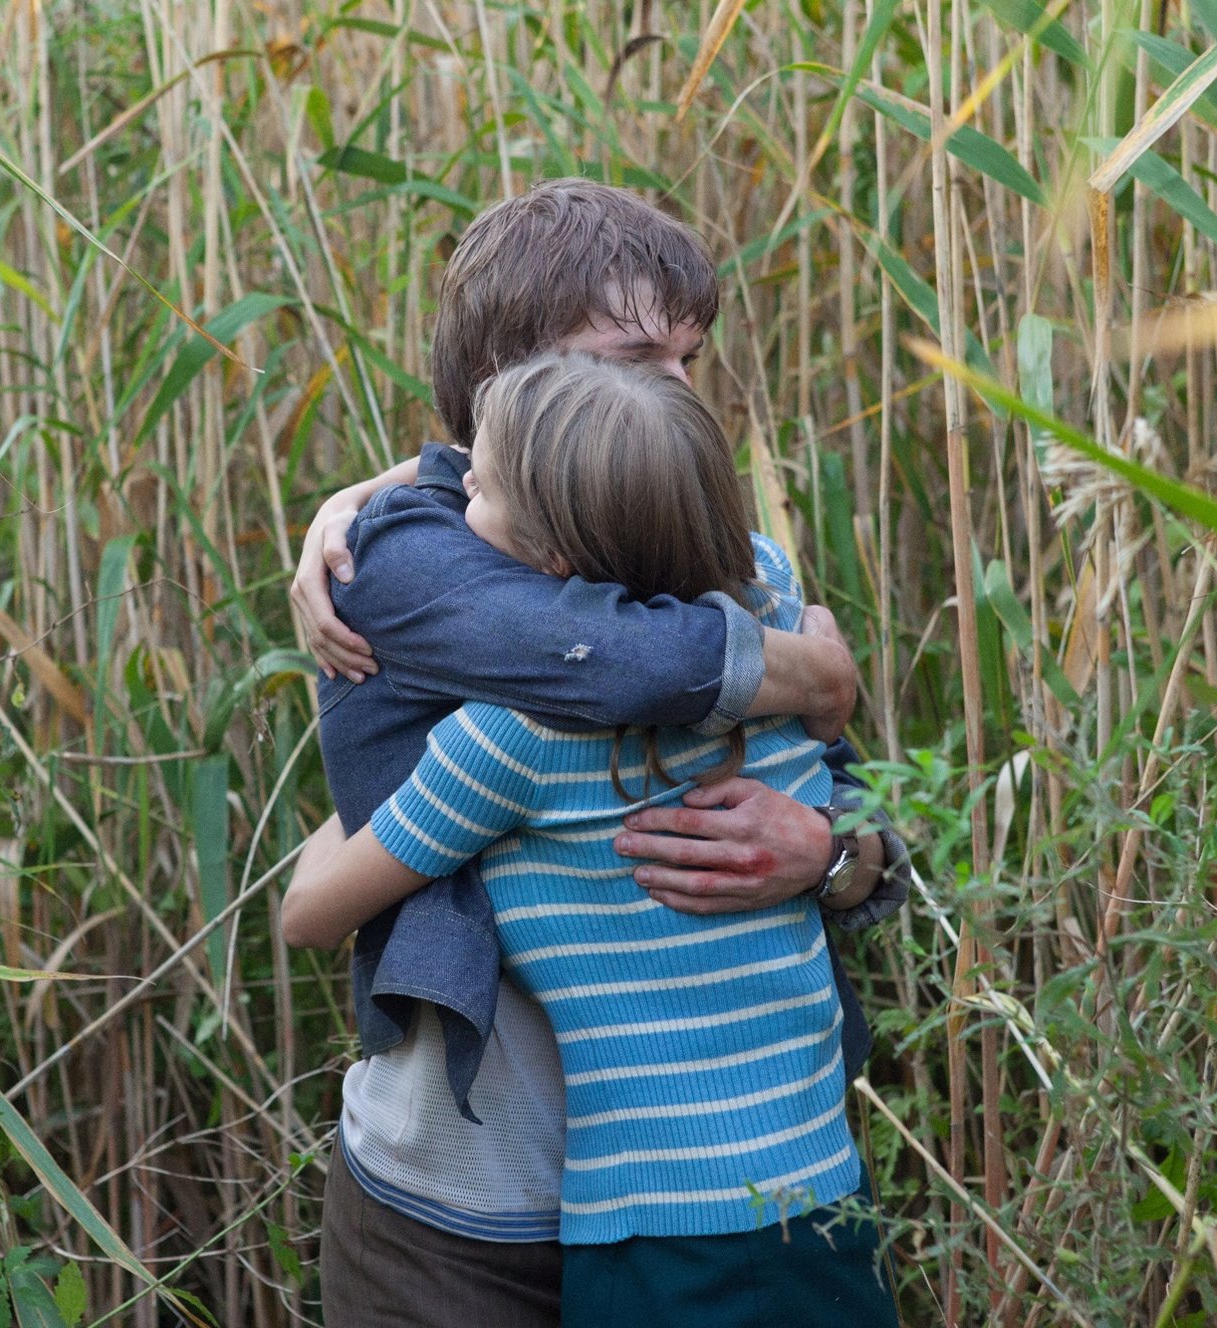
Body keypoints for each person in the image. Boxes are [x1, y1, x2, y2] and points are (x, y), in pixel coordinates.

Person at [288, 180, 912, 1326]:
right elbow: (607, 662)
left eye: (692, 358)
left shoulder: (723, 557)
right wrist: (810, 668)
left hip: (725, 1193)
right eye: (634, 359)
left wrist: (829, 857)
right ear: (508, 384)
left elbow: (871, 819)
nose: (681, 393)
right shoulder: (411, 571)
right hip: (458, 1217)